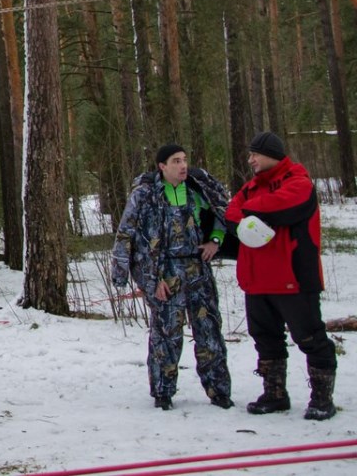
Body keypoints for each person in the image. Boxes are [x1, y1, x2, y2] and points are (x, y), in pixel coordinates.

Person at [111, 144, 233, 411]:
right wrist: (148, 280)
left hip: (198, 269)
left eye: (184, 160)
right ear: (162, 167)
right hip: (166, 273)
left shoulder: (198, 189)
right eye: (176, 161)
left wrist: (215, 240)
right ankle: (163, 392)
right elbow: (127, 234)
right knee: (166, 335)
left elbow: (224, 213)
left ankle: (219, 391)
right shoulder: (145, 195)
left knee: (209, 330)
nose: (183, 165)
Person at [226, 131, 337, 421]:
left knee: (310, 337)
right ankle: (274, 394)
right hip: (257, 280)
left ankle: (322, 398)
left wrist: (249, 211)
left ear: (271, 155)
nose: (250, 160)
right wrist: (246, 214)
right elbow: (232, 211)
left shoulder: (299, 182)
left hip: (294, 279)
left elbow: (281, 206)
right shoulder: (250, 187)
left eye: (255, 154)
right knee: (265, 338)